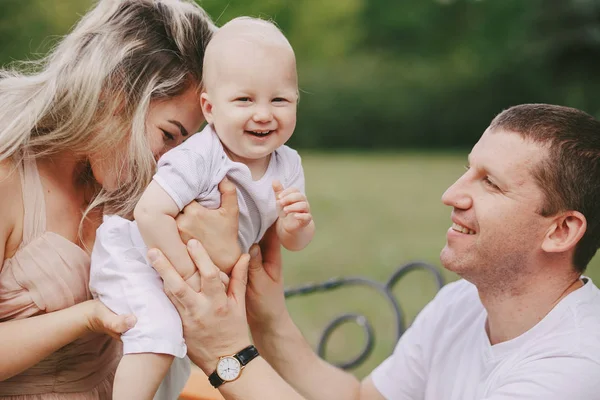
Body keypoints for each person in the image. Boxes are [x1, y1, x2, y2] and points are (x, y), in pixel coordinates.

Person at [150, 103, 600, 399]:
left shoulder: (572, 368)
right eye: (468, 170)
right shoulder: (464, 302)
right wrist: (267, 318)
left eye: (491, 184)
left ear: (561, 231)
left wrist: (229, 357)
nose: (452, 194)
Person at [89, 17, 315, 400]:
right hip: (139, 254)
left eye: (279, 99)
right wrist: (193, 279)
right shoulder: (201, 155)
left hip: (200, 272)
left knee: (177, 352)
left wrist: (296, 225)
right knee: (157, 336)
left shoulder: (287, 163)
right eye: (244, 100)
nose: (263, 113)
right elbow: (149, 214)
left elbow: (293, 242)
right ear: (210, 108)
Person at [0, 0, 218, 397]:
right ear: (114, 90)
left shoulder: (143, 194)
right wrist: (84, 318)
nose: (168, 163)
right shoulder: (7, 177)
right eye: (168, 135)